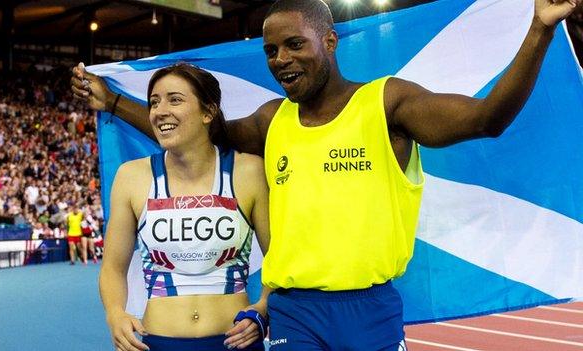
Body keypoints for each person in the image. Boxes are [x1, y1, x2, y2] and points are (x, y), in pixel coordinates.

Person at [71, 0, 580, 349]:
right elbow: (202, 132)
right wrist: (115, 102)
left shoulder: (386, 103)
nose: (281, 60)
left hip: (371, 307)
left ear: (330, 40)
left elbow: (486, 118)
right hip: (296, 311)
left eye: (294, 44)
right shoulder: (274, 121)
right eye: (271, 50)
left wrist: (538, 29)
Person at [98, 63, 270, 351]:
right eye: (154, 102)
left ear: (208, 112)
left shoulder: (249, 172)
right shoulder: (131, 177)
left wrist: (263, 308)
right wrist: (115, 314)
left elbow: (280, 258)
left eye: (174, 99)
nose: (159, 111)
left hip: (235, 342)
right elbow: (113, 268)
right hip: (160, 341)